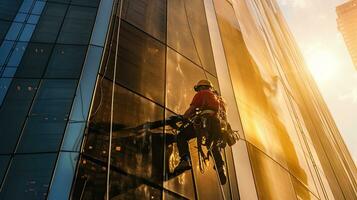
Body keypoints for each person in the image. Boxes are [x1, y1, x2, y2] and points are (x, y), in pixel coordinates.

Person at [174, 79, 227, 184]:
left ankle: (185, 160)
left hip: (205, 123)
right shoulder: (220, 100)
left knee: (182, 136)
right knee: (213, 146)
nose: (198, 91)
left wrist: (184, 118)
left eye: (198, 89)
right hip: (217, 126)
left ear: (201, 87)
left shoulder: (203, 93)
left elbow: (192, 109)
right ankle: (221, 169)